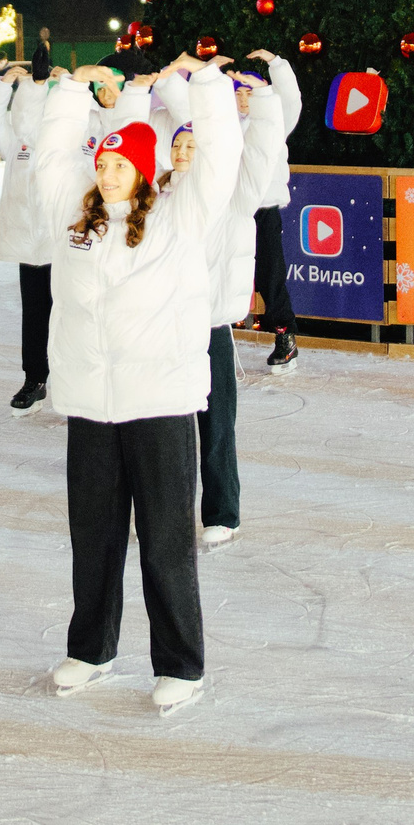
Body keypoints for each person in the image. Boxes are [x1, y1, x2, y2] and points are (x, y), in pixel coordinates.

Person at [35, 54, 242, 715]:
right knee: (92, 534)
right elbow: (49, 157)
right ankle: (91, 646)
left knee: (165, 539)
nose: (105, 170)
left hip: (159, 405)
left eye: (120, 162)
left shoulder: (179, 219)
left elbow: (221, 156)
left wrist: (205, 84)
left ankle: (180, 661)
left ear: (145, 168)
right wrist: (70, 91)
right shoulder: (75, 217)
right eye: (103, 161)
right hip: (91, 405)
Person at [164, 62, 286, 551]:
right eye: (178, 144)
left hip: (210, 325)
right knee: (165, 428)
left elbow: (261, 146)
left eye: (194, 145)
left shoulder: (235, 195)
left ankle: (221, 510)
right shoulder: (155, 197)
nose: (184, 151)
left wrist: (263, 101)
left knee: (215, 426)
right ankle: (166, 510)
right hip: (165, 327)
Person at [0, 63, 56, 410]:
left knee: (71, 315)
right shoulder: (17, 145)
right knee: (35, 315)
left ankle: (73, 380)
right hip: (30, 245)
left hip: (66, 245)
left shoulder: (70, 139)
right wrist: (1, 86)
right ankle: (34, 378)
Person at [239, 51, 304, 371]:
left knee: (269, 275)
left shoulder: (275, 121)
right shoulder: (226, 125)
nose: (242, 99)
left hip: (263, 209)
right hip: (232, 211)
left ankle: (285, 336)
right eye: (237, 93)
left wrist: (277, 63)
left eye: (248, 92)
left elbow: (291, 98)